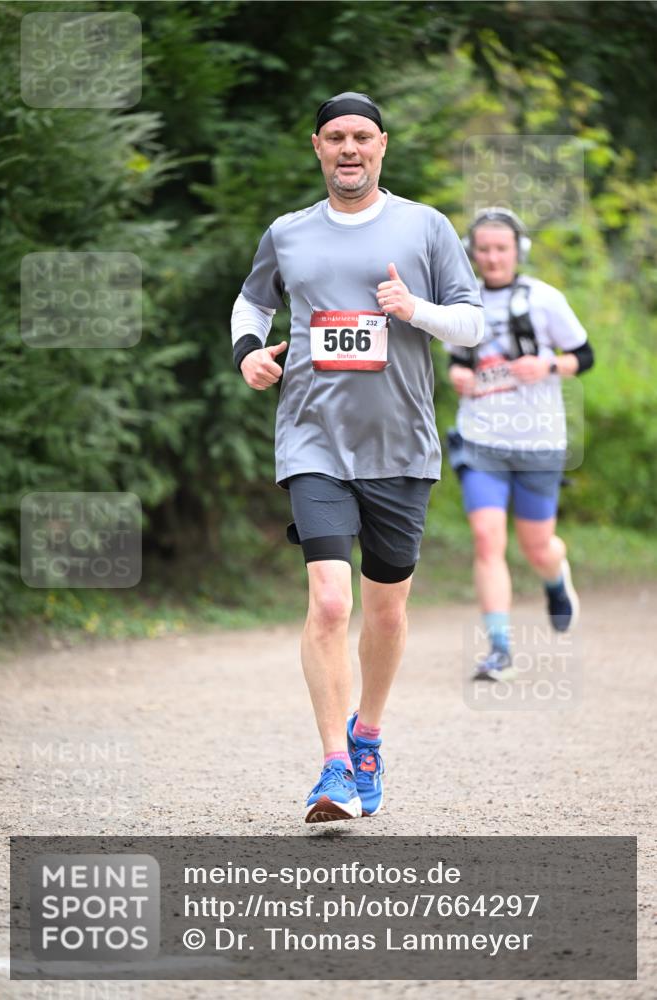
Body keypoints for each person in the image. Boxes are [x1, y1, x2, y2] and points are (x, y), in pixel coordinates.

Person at [231, 92, 483, 822]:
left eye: (361, 137)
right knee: (330, 602)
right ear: (316, 146)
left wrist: (415, 312)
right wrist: (249, 353)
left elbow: (470, 322)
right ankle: (333, 769)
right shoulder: (288, 233)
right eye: (335, 137)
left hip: (401, 446)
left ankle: (366, 734)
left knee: (385, 612)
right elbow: (252, 305)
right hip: (311, 440)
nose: (349, 149)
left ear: (381, 146)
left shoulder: (424, 227)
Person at [446, 207, 594, 681]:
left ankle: (555, 577)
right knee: (488, 540)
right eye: (483, 249)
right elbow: (456, 359)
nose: (492, 258)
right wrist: (458, 376)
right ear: (473, 253)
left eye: (501, 249)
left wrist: (549, 367)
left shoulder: (545, 299)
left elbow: (584, 355)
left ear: (518, 251)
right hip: (481, 437)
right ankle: (500, 648)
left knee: (537, 547)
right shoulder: (460, 302)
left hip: (539, 440)